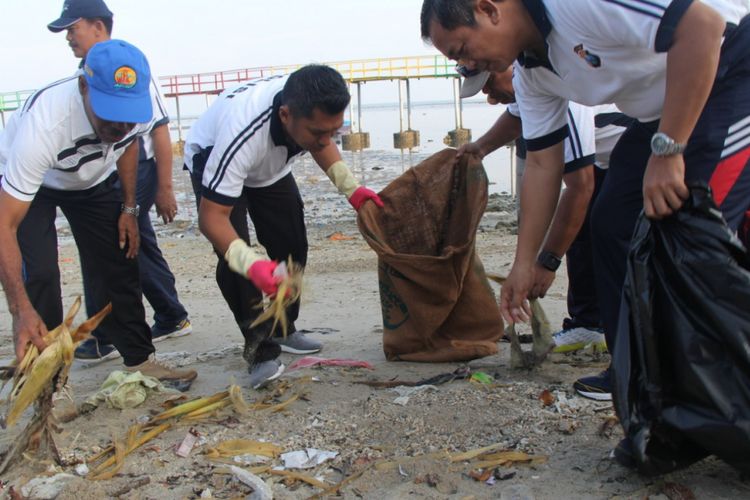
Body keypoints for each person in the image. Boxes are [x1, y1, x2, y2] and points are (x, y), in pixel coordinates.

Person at [421, 0, 750, 403]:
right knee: (611, 222)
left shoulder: (575, 5)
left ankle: (716, 389)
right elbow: (543, 165)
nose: (470, 64)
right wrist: (523, 265)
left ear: (489, 8)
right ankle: (636, 373)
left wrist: (667, 151)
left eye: (462, 50)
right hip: (659, 112)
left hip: (731, 72)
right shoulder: (532, 75)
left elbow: (702, 24)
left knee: (698, 235)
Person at [0, 39, 197, 386]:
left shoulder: (132, 112)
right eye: (110, 113)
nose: (120, 125)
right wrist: (19, 310)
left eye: (127, 116)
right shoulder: (45, 127)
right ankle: (45, 376)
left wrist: (129, 207)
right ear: (82, 86)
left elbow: (128, 145)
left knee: (122, 260)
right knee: (42, 274)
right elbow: (5, 224)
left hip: (91, 179)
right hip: (37, 184)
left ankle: (139, 359)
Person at [184, 65, 383, 389]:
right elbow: (212, 220)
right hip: (213, 157)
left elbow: (322, 140)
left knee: (292, 244)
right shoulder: (243, 133)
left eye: (333, 131)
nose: (325, 141)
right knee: (236, 259)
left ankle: (283, 327)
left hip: (269, 170)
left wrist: (352, 189)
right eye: (318, 133)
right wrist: (252, 264)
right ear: (286, 115)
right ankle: (260, 351)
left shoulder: (309, 112)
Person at [47, 0, 192, 363]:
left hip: (132, 167)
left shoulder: (129, 70)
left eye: (73, 27)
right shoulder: (86, 72)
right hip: (104, 168)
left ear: (98, 26)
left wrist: (165, 187)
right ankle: (167, 314)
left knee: (119, 245)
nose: (68, 36)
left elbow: (158, 129)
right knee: (126, 245)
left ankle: (106, 334)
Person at [457, 65, 630, 364]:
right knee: (580, 232)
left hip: (631, 150)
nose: (489, 97)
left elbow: (579, 186)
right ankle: (589, 324)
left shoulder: (561, 90)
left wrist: (547, 262)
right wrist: (480, 148)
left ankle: (632, 342)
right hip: (602, 161)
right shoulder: (528, 83)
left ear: (508, 63)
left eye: (488, 84)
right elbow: (516, 115)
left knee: (612, 233)